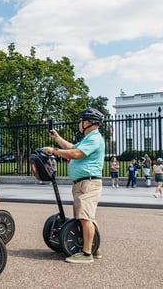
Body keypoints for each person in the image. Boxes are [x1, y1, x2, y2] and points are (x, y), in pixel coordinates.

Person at [43, 107, 105, 263]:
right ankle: (94, 247)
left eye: (81, 120)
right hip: (82, 182)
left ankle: (87, 254)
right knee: (85, 217)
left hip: (88, 183)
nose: (79, 123)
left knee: (85, 217)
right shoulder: (87, 138)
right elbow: (72, 147)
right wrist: (57, 138)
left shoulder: (94, 138)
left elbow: (77, 154)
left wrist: (54, 151)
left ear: (89, 122)